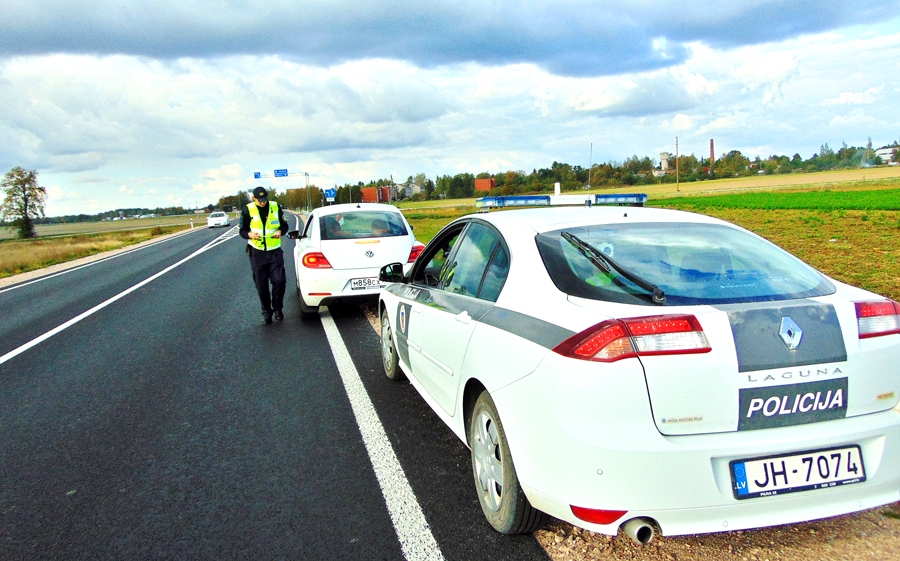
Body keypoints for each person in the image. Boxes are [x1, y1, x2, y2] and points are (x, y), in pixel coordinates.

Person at [240, 186, 289, 324]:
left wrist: (281, 231)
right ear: (254, 198)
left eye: (265, 199)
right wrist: (249, 234)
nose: (263, 202)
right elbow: (242, 230)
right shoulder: (248, 210)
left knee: (279, 281)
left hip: (274, 251)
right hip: (257, 252)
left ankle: (278, 309)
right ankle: (267, 312)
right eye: (260, 200)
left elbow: (285, 226)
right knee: (261, 285)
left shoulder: (275, 207)